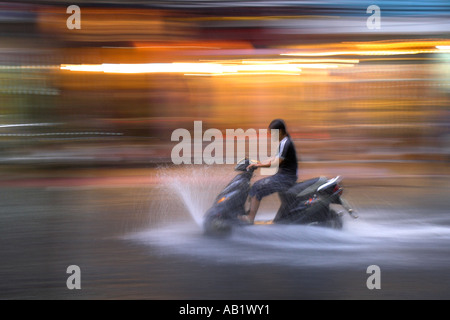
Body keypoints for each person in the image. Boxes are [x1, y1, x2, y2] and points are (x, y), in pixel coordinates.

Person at [238, 119, 298, 224]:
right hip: (283, 176)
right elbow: (273, 158)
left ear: (279, 131)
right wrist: (257, 162)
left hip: (286, 178)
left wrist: (258, 165)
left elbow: (276, 162)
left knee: (257, 188)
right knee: (255, 187)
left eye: (272, 134)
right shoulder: (284, 142)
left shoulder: (285, 143)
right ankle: (249, 212)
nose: (272, 136)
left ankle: (250, 218)